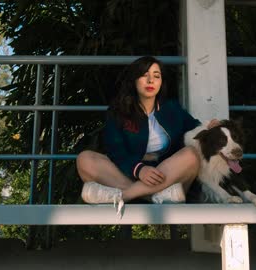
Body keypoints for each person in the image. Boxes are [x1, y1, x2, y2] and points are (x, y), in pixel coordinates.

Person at [76, 56, 217, 215]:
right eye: (145, 75)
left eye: (156, 76)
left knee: (192, 155)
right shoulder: (119, 111)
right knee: (85, 159)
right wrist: (139, 169)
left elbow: (196, 129)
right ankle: (153, 197)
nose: (151, 81)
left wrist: (210, 128)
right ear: (134, 80)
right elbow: (116, 150)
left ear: (161, 82)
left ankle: (123, 196)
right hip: (131, 174)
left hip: (166, 177)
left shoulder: (172, 109)